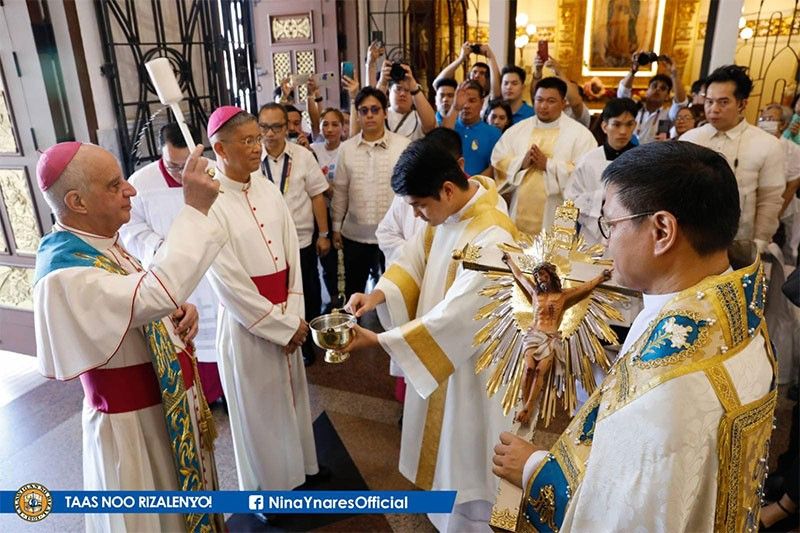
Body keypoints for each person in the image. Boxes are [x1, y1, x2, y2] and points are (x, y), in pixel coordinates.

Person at [492, 141, 777, 532]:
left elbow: (619, 517)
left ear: (661, 230)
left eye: (610, 224)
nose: (605, 242)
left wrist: (532, 468)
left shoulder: (663, 389)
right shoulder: (740, 313)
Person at [34, 141, 226, 532]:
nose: (131, 190)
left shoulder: (99, 243)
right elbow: (152, 292)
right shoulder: (64, 272)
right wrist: (194, 210)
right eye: (114, 184)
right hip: (134, 430)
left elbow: (140, 299)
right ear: (78, 201)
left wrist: (172, 312)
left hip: (162, 408)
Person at [343, 137, 519, 532]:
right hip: (444, 356)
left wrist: (379, 341)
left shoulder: (493, 236)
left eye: (421, 206)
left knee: (467, 443)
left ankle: (472, 522)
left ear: (448, 189)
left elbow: (461, 314)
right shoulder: (448, 215)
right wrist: (377, 295)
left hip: (473, 366)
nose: (419, 216)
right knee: (446, 446)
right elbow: (414, 262)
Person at [203, 106, 323, 498]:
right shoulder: (210, 204)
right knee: (259, 411)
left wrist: (294, 316)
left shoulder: (268, 188)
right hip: (248, 325)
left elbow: (293, 255)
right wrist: (281, 326)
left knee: (291, 399)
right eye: (248, 141)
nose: (260, 147)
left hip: (286, 313)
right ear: (220, 149)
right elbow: (228, 283)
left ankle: (300, 471)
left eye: (260, 138)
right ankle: (270, 491)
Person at [120, 123, 224, 404]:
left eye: (188, 165)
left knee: (221, 337)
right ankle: (198, 397)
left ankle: (226, 391)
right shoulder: (141, 183)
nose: (181, 175)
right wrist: (160, 247)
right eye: (173, 166)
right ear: (160, 154)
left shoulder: (216, 173)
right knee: (188, 339)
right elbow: (130, 230)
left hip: (213, 271)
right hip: (172, 272)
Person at [681, 65, 785, 252]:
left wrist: (760, 242)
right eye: (709, 101)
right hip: (691, 242)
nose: (713, 109)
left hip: (739, 245)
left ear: (742, 104)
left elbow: (769, 200)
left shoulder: (767, 144)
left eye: (723, 102)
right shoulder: (690, 139)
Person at [258, 103, 330, 365]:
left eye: (276, 126)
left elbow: (317, 196)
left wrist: (324, 234)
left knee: (308, 291)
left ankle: (306, 342)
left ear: (286, 127)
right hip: (267, 242)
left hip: (301, 239)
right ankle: (281, 336)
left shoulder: (302, 156)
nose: (270, 133)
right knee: (277, 292)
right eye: (264, 127)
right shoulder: (253, 160)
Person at [502, 256, 612, 425]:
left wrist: (600, 277)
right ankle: (525, 407)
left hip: (550, 338)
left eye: (543, 275)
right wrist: (509, 261)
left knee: (539, 371)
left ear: (551, 275)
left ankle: (529, 406)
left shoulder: (562, 296)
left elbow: (584, 288)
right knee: (529, 369)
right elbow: (520, 276)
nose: (540, 279)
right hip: (533, 334)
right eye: (538, 276)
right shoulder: (534, 292)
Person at [492, 76, 597, 235]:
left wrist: (548, 165)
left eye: (551, 101)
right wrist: (521, 163)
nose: (543, 106)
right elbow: (499, 160)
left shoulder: (581, 135)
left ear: (563, 103)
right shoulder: (517, 130)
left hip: (560, 212)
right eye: (539, 100)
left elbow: (586, 173)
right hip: (520, 208)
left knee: (556, 257)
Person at [332, 87, 411, 297]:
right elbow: (340, 191)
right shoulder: (346, 149)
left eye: (375, 110)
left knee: (395, 293)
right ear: (357, 114)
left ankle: (394, 331)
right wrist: (335, 227)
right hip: (354, 236)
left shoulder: (403, 146)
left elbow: (409, 193)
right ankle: (352, 330)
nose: (369, 115)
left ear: (385, 112)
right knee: (353, 291)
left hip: (394, 235)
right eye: (364, 110)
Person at [565, 97, 638, 246]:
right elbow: (572, 200)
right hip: (592, 238)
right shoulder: (588, 160)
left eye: (629, 124)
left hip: (631, 237)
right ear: (605, 126)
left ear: (635, 125)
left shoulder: (642, 161)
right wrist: (603, 198)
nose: (623, 131)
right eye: (616, 124)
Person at [311, 108, 346, 308]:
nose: (329, 129)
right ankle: (333, 298)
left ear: (343, 128)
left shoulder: (347, 149)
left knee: (345, 260)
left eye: (335, 124)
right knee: (327, 260)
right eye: (325, 124)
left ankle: (347, 296)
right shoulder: (313, 149)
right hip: (321, 214)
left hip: (343, 213)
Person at [617, 53, 688, 144]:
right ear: (647, 91)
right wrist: (633, 71)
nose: (657, 89)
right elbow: (623, 94)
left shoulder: (668, 115)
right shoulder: (634, 109)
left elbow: (681, 103)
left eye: (663, 88)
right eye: (654, 86)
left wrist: (674, 74)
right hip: (630, 153)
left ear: (667, 96)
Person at [440, 80, 502, 177]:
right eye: (463, 100)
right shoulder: (449, 125)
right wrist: (455, 107)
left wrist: (473, 184)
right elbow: (440, 141)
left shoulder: (494, 133)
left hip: (479, 187)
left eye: (472, 101)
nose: (466, 106)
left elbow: (494, 167)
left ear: (481, 103)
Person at [375, 62, 436, 140]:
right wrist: (382, 83)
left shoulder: (420, 116)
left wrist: (414, 86)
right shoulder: (380, 114)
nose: (402, 94)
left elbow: (431, 126)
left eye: (407, 90)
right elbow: (371, 108)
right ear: (389, 90)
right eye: (398, 89)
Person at [433, 41, 501, 105]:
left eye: (482, 73)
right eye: (474, 72)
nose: (477, 75)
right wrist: (461, 59)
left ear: (488, 81)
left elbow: (497, 93)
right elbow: (437, 83)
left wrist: (491, 57)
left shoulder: (488, 100)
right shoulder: (459, 95)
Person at [532, 56, 591, 128]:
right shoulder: (547, 110)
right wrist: (538, 72)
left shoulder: (578, 113)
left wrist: (560, 72)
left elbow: (576, 103)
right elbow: (536, 96)